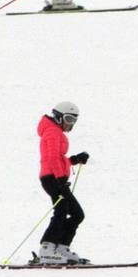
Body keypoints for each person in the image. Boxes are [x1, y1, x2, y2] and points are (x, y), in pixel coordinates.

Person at [33, 101, 92, 265]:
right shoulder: (52, 132)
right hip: (52, 178)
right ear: (58, 117)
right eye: (68, 119)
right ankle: (47, 248)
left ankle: (60, 247)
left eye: (74, 120)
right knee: (62, 210)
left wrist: (74, 160)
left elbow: (58, 158)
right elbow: (52, 159)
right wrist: (60, 179)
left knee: (76, 214)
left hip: (54, 177)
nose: (71, 124)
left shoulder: (55, 132)